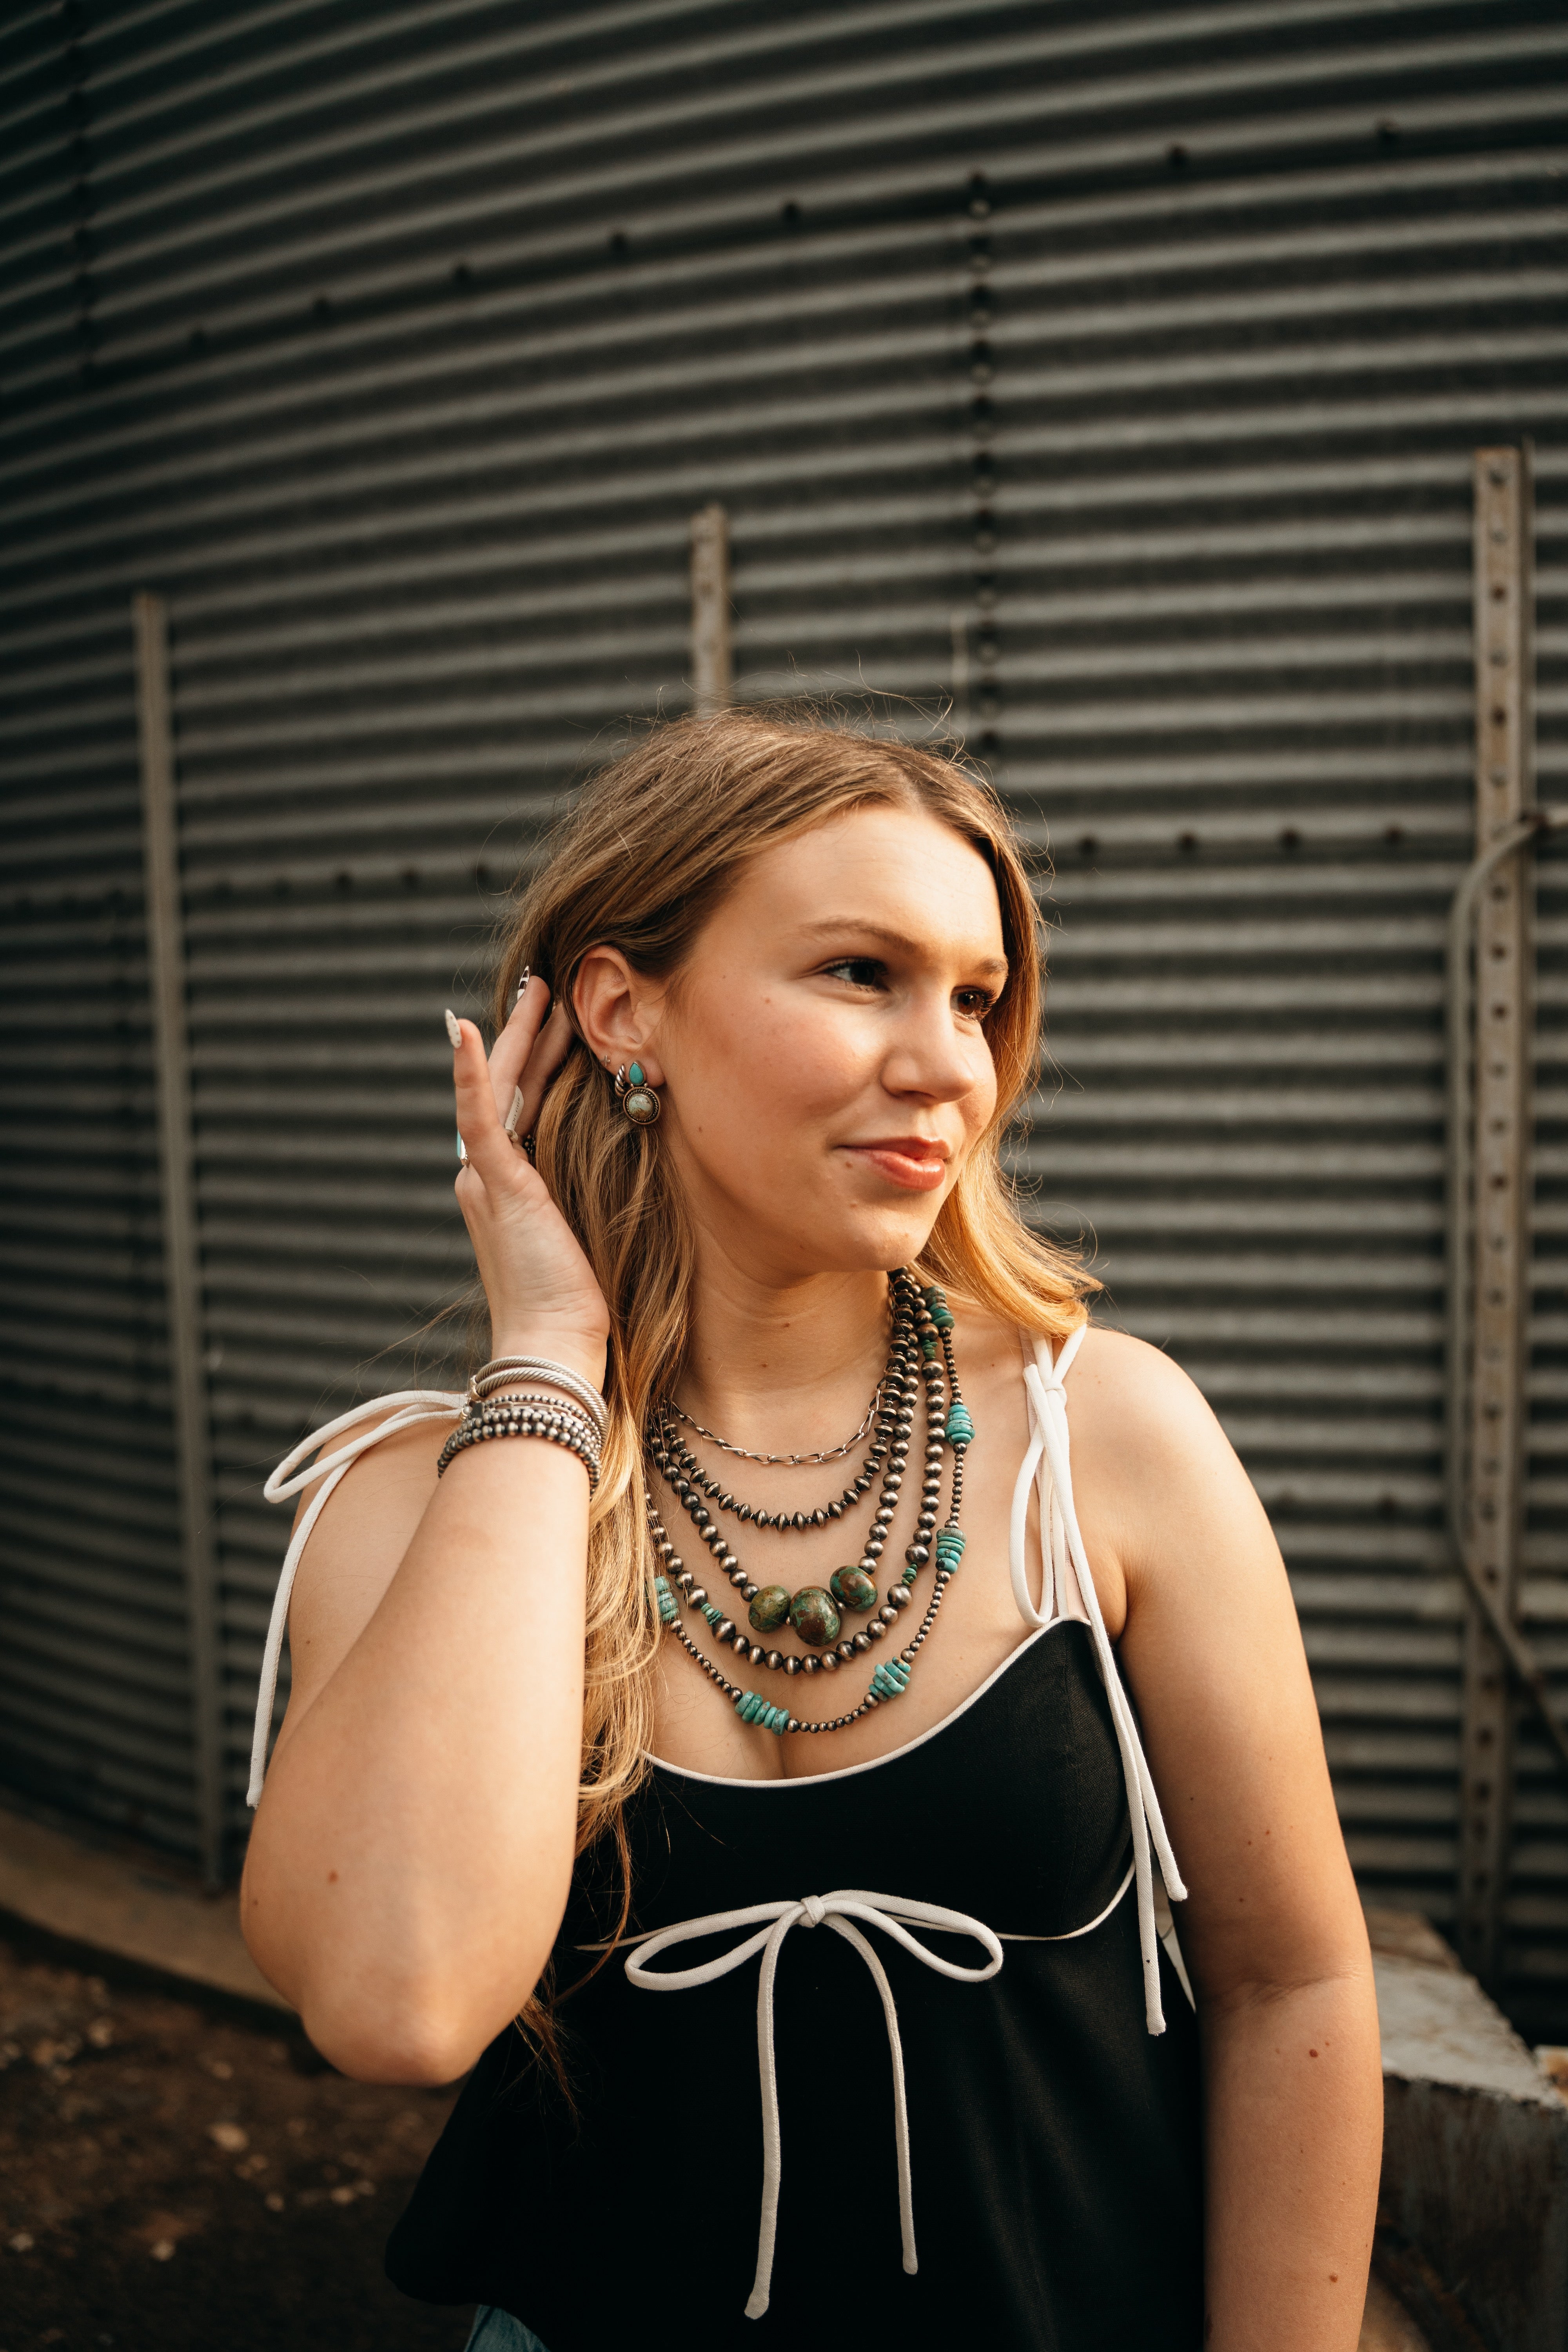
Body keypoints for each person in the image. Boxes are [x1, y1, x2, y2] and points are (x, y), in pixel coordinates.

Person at [240, 710, 1382, 2352]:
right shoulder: (426, 1496)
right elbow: (394, 2004)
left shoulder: (1104, 1438)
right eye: (862, 973)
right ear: (624, 1011)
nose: (951, 1066)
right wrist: (548, 1359)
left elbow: (1293, 1988)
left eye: (975, 998)